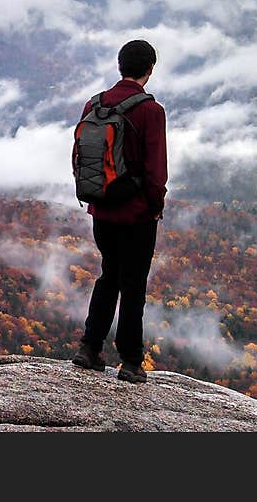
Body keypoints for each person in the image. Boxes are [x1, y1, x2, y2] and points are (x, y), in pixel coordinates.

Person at [72, 39, 167, 384]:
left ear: (120, 66)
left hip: (101, 210)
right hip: (137, 214)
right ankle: (130, 361)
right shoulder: (150, 111)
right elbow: (156, 172)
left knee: (108, 275)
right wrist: (155, 208)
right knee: (133, 285)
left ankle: (89, 348)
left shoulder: (94, 104)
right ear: (150, 70)